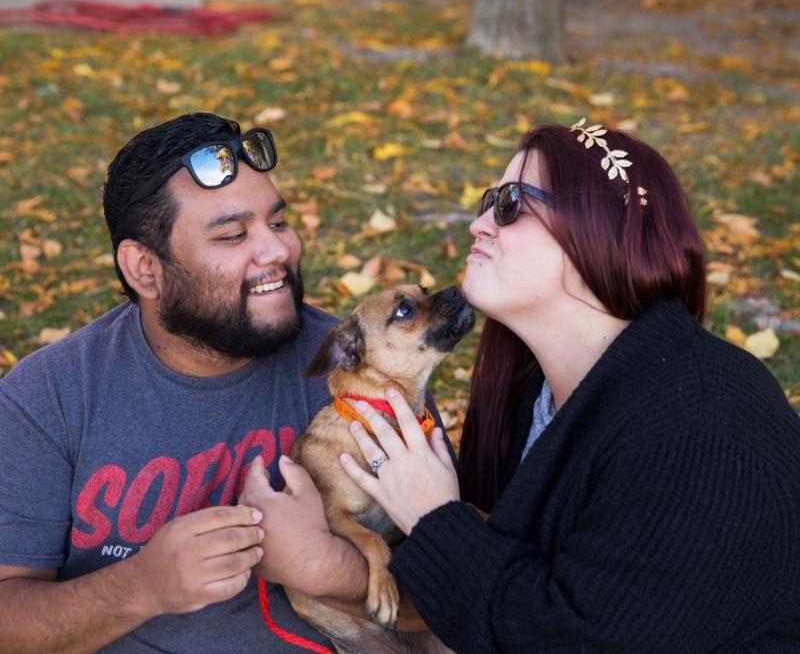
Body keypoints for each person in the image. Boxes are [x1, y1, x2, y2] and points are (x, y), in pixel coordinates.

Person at [339, 119, 800, 652]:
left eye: (510, 204)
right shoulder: (540, 389)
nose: (479, 224)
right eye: (490, 200)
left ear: (596, 233)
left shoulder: (700, 435)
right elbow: (516, 576)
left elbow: (569, 639)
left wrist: (432, 518)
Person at [0, 112, 391, 652]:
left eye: (277, 223)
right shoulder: (49, 397)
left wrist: (328, 570)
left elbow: (469, 599)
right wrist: (142, 587)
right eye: (232, 235)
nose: (277, 251)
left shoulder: (363, 368)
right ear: (144, 269)